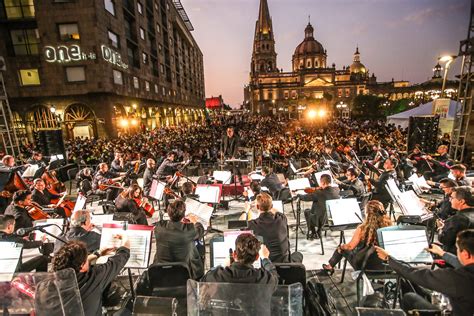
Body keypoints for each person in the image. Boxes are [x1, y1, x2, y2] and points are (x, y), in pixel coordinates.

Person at [375, 229, 474, 315]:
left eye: (457, 249)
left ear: (465, 254)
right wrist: (442, 253)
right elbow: (461, 263)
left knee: (410, 297)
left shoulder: (457, 278)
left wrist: (388, 258)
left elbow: (416, 274)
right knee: (418, 288)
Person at [52, 237, 130, 316]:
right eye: (86, 260)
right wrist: (125, 243)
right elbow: (118, 260)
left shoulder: (48, 283)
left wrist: (98, 254)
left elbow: (78, 265)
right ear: (82, 265)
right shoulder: (93, 277)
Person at [321, 200, 392, 274]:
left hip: (364, 265)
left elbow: (350, 247)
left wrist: (342, 247)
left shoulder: (362, 228)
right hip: (385, 266)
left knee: (342, 247)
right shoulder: (389, 227)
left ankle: (330, 267)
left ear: (367, 213)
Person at [201, 233, 278, 288]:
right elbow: (275, 277)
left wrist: (223, 265)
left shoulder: (218, 276)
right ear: (257, 257)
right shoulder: (263, 277)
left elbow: (204, 279)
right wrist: (265, 259)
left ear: (234, 254)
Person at [153, 200, 204, 279]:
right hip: (185, 273)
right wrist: (195, 221)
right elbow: (200, 230)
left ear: (169, 214)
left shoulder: (159, 228)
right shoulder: (189, 230)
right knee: (193, 244)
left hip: (161, 271)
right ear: (183, 215)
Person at [247, 192, 302, 263]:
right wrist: (268, 205)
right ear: (272, 206)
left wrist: (246, 210)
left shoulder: (253, 224)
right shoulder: (282, 218)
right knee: (298, 254)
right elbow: (277, 212)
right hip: (285, 263)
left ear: (257, 207)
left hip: (266, 263)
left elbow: (239, 225)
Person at [301, 174, 340, 240]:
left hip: (321, 221)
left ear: (323, 183)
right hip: (333, 220)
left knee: (307, 211)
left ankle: (313, 232)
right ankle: (318, 231)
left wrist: (297, 194)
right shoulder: (337, 190)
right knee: (320, 207)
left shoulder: (319, 193)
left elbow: (305, 197)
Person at [438, 186, 474, 254]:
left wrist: (441, 228)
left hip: (456, 256)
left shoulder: (458, 219)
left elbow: (445, 240)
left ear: (461, 201)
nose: (450, 200)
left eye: (452, 198)